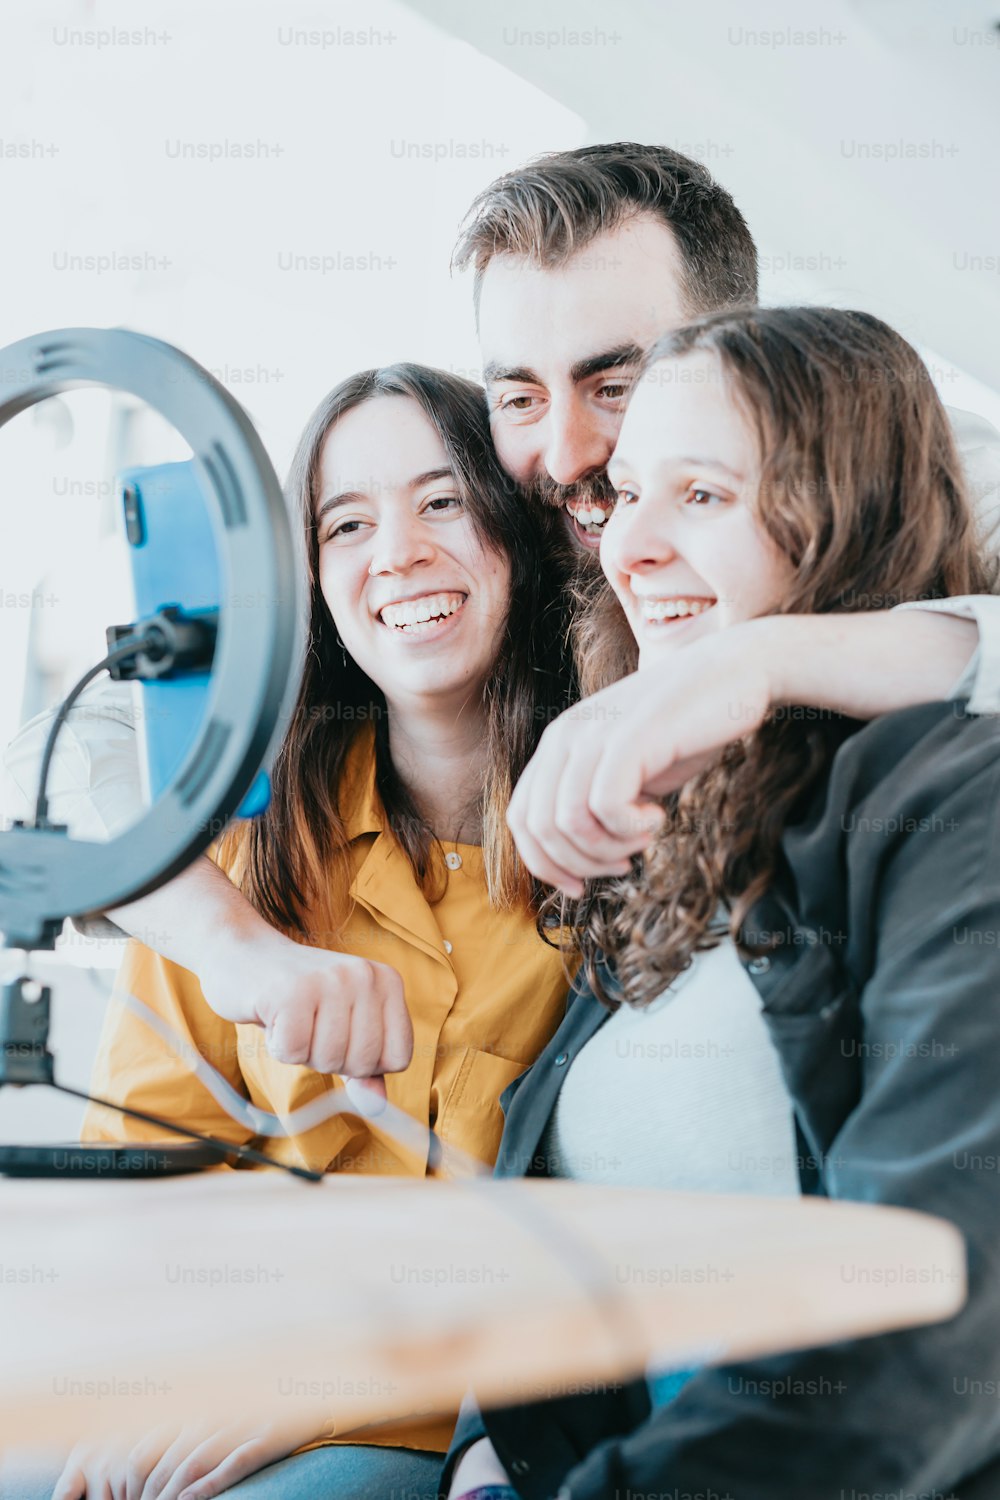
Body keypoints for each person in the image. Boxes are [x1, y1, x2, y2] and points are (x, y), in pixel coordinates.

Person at [443, 307, 1000, 1500]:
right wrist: (486, 1455)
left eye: (701, 496)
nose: (626, 547)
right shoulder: (682, 822)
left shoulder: (953, 799)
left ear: (850, 515)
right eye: (627, 492)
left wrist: (756, 658)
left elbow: (939, 1308)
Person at [10, 364, 576, 1500]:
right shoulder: (244, 855)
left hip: (426, 1419)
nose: (398, 554)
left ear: (514, 527)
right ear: (310, 580)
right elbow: (146, 1174)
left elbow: (604, 1244)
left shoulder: (603, 858)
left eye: (442, 502)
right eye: (348, 524)